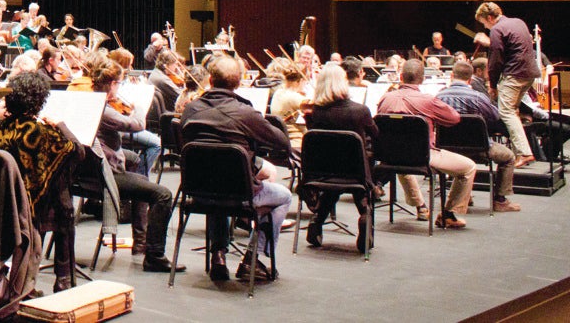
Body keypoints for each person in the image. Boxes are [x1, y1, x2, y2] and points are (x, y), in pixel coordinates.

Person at [180, 55, 292, 283]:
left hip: (199, 191)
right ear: (239, 82)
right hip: (239, 194)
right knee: (284, 197)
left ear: (210, 80)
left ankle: (218, 256)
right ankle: (255, 259)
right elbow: (282, 142)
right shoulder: (246, 113)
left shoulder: (190, 110)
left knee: (217, 178)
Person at [0, 72, 82, 292]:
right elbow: (77, 152)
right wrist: (61, 125)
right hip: (34, 206)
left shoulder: (3, 127)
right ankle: (64, 279)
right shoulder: (40, 131)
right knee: (65, 204)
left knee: (57, 192)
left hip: (10, 200)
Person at [91, 60, 183, 273]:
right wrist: (140, 107)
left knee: (137, 165)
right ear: (112, 84)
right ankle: (154, 255)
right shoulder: (104, 110)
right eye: (119, 84)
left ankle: (140, 242)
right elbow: (137, 125)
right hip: (105, 174)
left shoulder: (89, 102)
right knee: (163, 195)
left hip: (85, 172)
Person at [376, 58, 475, 229]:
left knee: (403, 158)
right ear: (422, 80)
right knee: (469, 168)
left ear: (401, 77)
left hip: (390, 156)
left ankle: (421, 207)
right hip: (422, 156)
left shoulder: (385, 98)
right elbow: (454, 118)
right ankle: (448, 214)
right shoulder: (428, 100)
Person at [303, 63, 378, 250]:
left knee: (333, 182)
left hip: (324, 170)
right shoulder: (360, 111)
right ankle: (365, 216)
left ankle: (317, 219)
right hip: (356, 171)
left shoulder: (316, 113)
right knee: (359, 177)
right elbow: (375, 134)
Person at [436, 59, 521, 212]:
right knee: (509, 157)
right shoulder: (478, 97)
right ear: (470, 79)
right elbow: (496, 117)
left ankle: (464, 197)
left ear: (452, 76)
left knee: (461, 159)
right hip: (478, 148)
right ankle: (500, 200)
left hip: (448, 149)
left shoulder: (439, 97)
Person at [474, 2, 539, 169]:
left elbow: (496, 60)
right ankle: (522, 150)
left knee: (506, 112)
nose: (486, 26)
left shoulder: (497, 29)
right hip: (530, 73)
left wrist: (493, 85)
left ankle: (524, 153)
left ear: (489, 18)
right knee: (513, 110)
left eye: (484, 23)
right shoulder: (518, 22)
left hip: (514, 74)